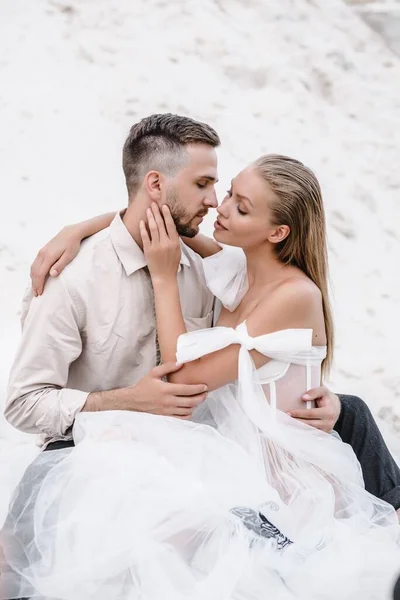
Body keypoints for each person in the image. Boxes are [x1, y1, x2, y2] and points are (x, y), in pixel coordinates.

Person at [2, 150, 399, 600]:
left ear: (277, 232)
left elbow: (184, 377)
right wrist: (77, 230)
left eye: (241, 206)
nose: (220, 206)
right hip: (237, 443)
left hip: (280, 473)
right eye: (228, 193)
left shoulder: (292, 295)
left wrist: (164, 280)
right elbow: (153, 220)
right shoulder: (239, 272)